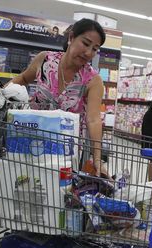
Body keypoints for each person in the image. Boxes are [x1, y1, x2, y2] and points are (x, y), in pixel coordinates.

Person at [7, 18, 106, 176]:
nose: (89, 53)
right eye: (86, 44)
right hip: (30, 140)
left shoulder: (93, 80)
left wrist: (98, 159)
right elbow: (23, 78)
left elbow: (93, 120)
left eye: (95, 49)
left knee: (57, 195)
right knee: (23, 183)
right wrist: (0, 94)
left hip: (64, 152)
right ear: (71, 38)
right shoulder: (45, 60)